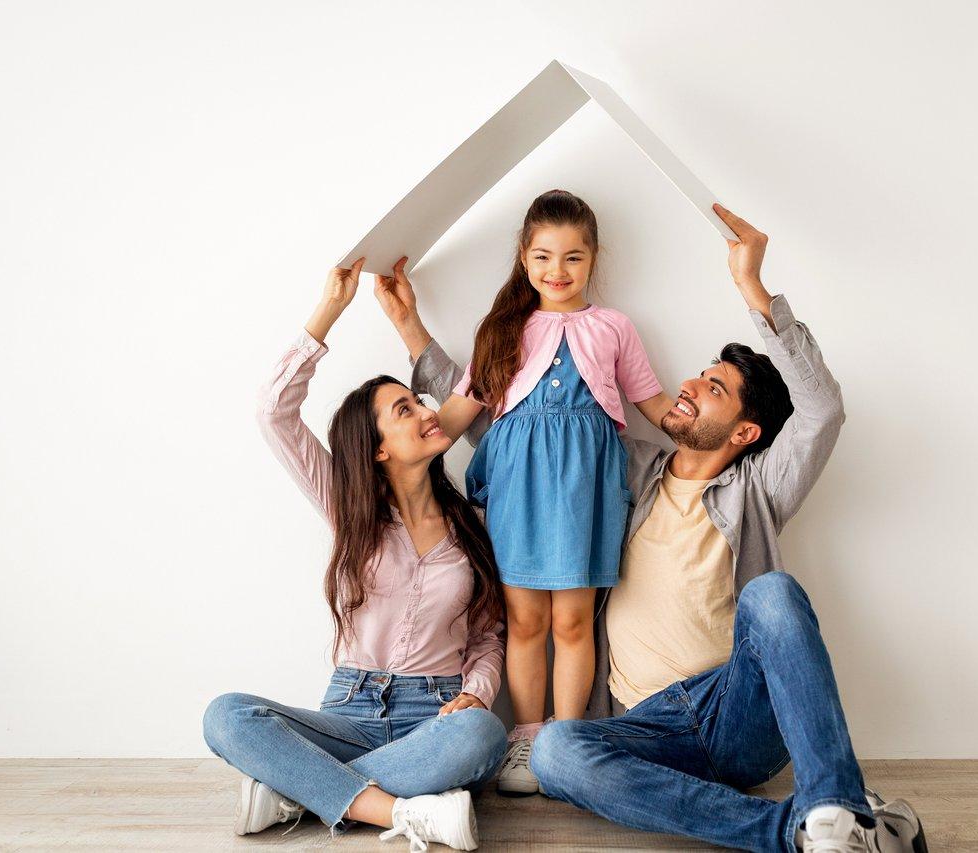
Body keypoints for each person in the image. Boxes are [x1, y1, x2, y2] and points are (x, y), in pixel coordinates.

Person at [382, 202, 928, 852]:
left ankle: (834, 801)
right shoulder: (627, 471)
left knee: (772, 593)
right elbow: (504, 424)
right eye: (700, 374)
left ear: (746, 432)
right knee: (555, 749)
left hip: (733, 710)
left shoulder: (760, 488)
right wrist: (414, 331)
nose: (692, 384)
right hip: (644, 727)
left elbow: (822, 407)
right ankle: (802, 830)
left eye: (716, 388)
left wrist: (755, 288)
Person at [201, 260, 509, 851]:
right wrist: (328, 312)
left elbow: (488, 637)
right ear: (376, 452)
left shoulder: (475, 523)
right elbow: (273, 413)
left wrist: (478, 691)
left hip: (437, 714)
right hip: (347, 711)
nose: (427, 412)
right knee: (226, 714)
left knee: (483, 737)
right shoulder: (348, 510)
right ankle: (404, 811)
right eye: (405, 411)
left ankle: (297, 793)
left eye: (421, 402)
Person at [390, 189, 673, 795]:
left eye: (573, 257)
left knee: (572, 622)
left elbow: (654, 406)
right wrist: (394, 447)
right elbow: (457, 416)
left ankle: (566, 745)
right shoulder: (502, 331)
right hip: (518, 493)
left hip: (585, 494)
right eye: (544, 256)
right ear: (524, 258)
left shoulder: (614, 328)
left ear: (594, 258)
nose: (558, 271)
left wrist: (714, 432)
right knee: (524, 621)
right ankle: (526, 737)